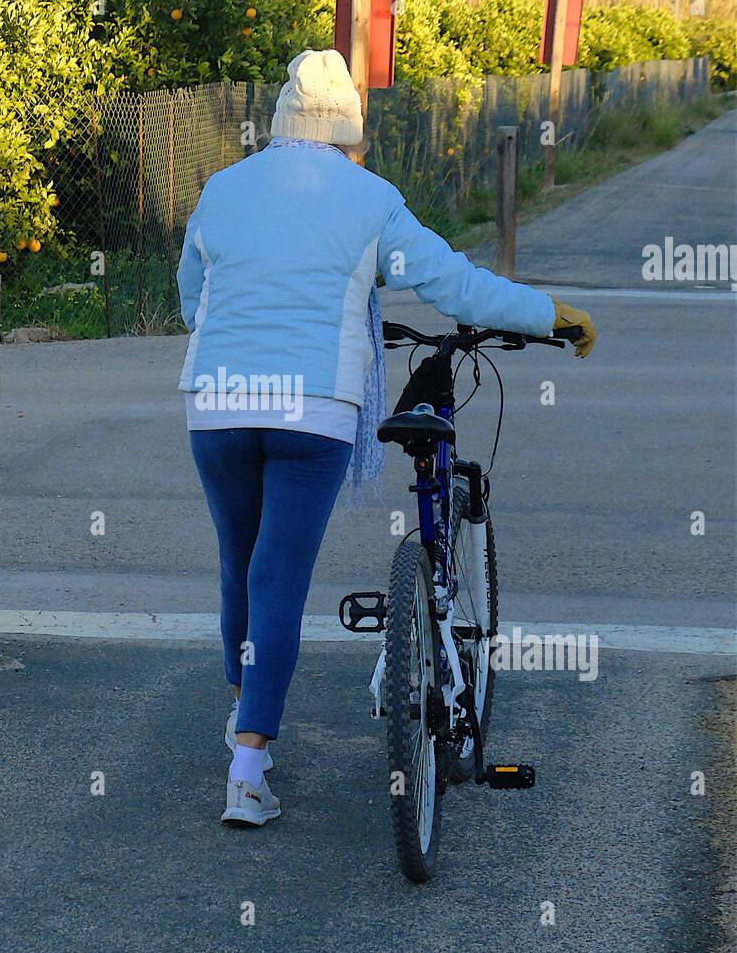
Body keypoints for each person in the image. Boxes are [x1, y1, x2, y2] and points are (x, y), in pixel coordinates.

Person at [176, 49, 596, 828]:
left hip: (218, 402)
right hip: (313, 410)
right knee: (278, 579)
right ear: (348, 134)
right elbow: (451, 286)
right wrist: (547, 313)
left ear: (275, 127)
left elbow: (192, 298)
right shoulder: (367, 197)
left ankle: (247, 728)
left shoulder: (221, 188)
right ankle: (245, 770)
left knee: (240, 569)